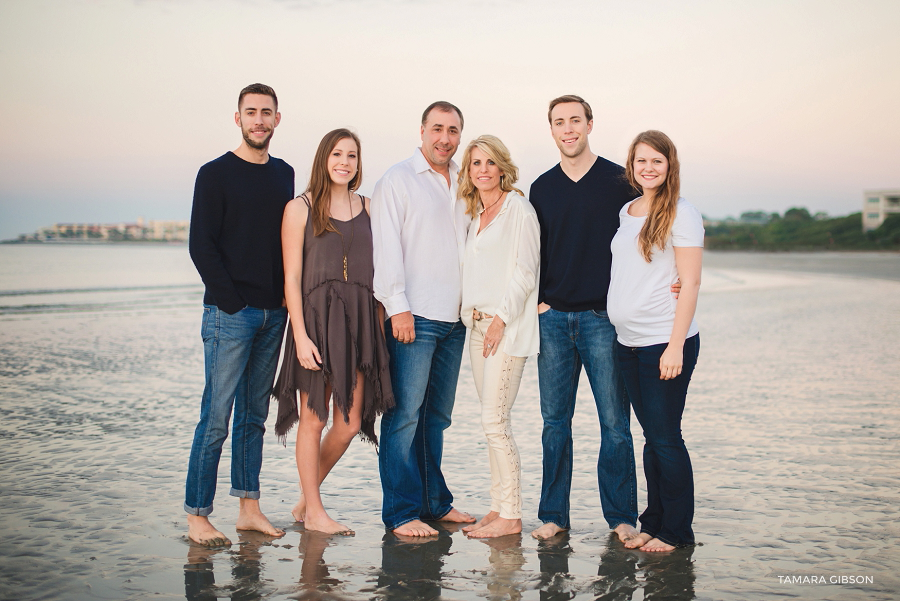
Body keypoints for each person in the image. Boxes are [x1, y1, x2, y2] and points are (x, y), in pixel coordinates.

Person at [185, 83, 294, 546]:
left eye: (266, 113)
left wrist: (285, 301)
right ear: (238, 118)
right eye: (251, 112)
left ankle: (249, 506)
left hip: (275, 315)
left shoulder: (284, 174)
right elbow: (201, 246)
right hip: (231, 314)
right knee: (216, 417)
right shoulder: (213, 174)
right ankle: (197, 514)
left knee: (254, 417)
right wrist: (232, 301)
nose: (258, 120)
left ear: (277, 119)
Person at [529, 94, 640, 542]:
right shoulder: (541, 187)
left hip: (602, 320)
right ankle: (554, 515)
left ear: (590, 124)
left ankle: (620, 518)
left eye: (576, 120)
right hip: (553, 320)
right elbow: (531, 253)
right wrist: (537, 301)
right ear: (551, 130)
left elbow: (645, 238)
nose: (568, 128)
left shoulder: (620, 181)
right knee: (555, 424)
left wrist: (672, 281)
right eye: (559, 122)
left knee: (615, 423)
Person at [272, 129, 394, 534]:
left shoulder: (372, 208)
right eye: (338, 154)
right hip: (316, 324)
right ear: (324, 158)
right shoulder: (300, 208)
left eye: (352, 156)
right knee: (313, 418)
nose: (345, 162)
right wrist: (301, 337)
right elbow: (291, 279)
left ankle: (307, 500)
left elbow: (388, 268)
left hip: (361, 325)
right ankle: (316, 512)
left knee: (349, 421)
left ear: (359, 163)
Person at [371, 101, 476, 537]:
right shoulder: (397, 180)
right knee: (404, 417)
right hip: (415, 317)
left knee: (437, 418)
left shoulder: (465, 182)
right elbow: (385, 248)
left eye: (453, 131)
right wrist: (398, 308)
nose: (445, 138)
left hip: (455, 320)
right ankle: (400, 512)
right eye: (437, 128)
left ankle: (435, 502)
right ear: (421, 131)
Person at [608, 130, 703, 551]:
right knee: (651, 437)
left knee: (666, 438)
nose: (648, 168)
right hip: (626, 342)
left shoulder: (682, 212)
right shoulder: (627, 211)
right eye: (641, 160)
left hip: (664, 342)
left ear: (669, 166)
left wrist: (675, 345)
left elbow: (692, 280)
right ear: (631, 165)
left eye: (657, 161)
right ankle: (653, 520)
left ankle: (676, 531)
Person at [457, 135, 540, 538]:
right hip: (476, 328)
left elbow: (526, 271)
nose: (483, 170)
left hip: (504, 329)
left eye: (490, 163)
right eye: (475, 163)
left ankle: (512, 514)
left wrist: (500, 320)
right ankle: (497, 505)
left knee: (495, 421)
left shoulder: (518, 210)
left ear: (502, 168)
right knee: (490, 421)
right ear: (468, 172)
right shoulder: (475, 215)